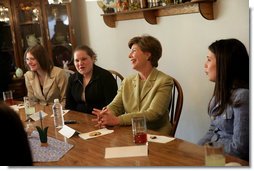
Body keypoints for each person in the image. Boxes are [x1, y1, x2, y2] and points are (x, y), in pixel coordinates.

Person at [92, 35, 174, 135]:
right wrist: (106, 114)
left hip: (155, 134)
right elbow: (115, 106)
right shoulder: (127, 81)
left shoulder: (164, 81)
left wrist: (117, 120)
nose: (129, 55)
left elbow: (153, 113)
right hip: (131, 132)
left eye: (134, 51)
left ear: (148, 55)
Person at [198, 38, 249, 161]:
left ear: (224, 64)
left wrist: (209, 150)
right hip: (215, 154)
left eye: (209, 60)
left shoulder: (243, 96)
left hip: (230, 160)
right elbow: (213, 129)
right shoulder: (220, 94)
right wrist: (197, 149)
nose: (205, 65)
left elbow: (240, 148)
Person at [65, 45, 118, 114]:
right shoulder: (72, 78)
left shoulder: (106, 77)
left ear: (93, 58)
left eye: (84, 59)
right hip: (79, 118)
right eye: (77, 60)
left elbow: (113, 106)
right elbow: (69, 105)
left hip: (100, 118)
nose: (80, 63)